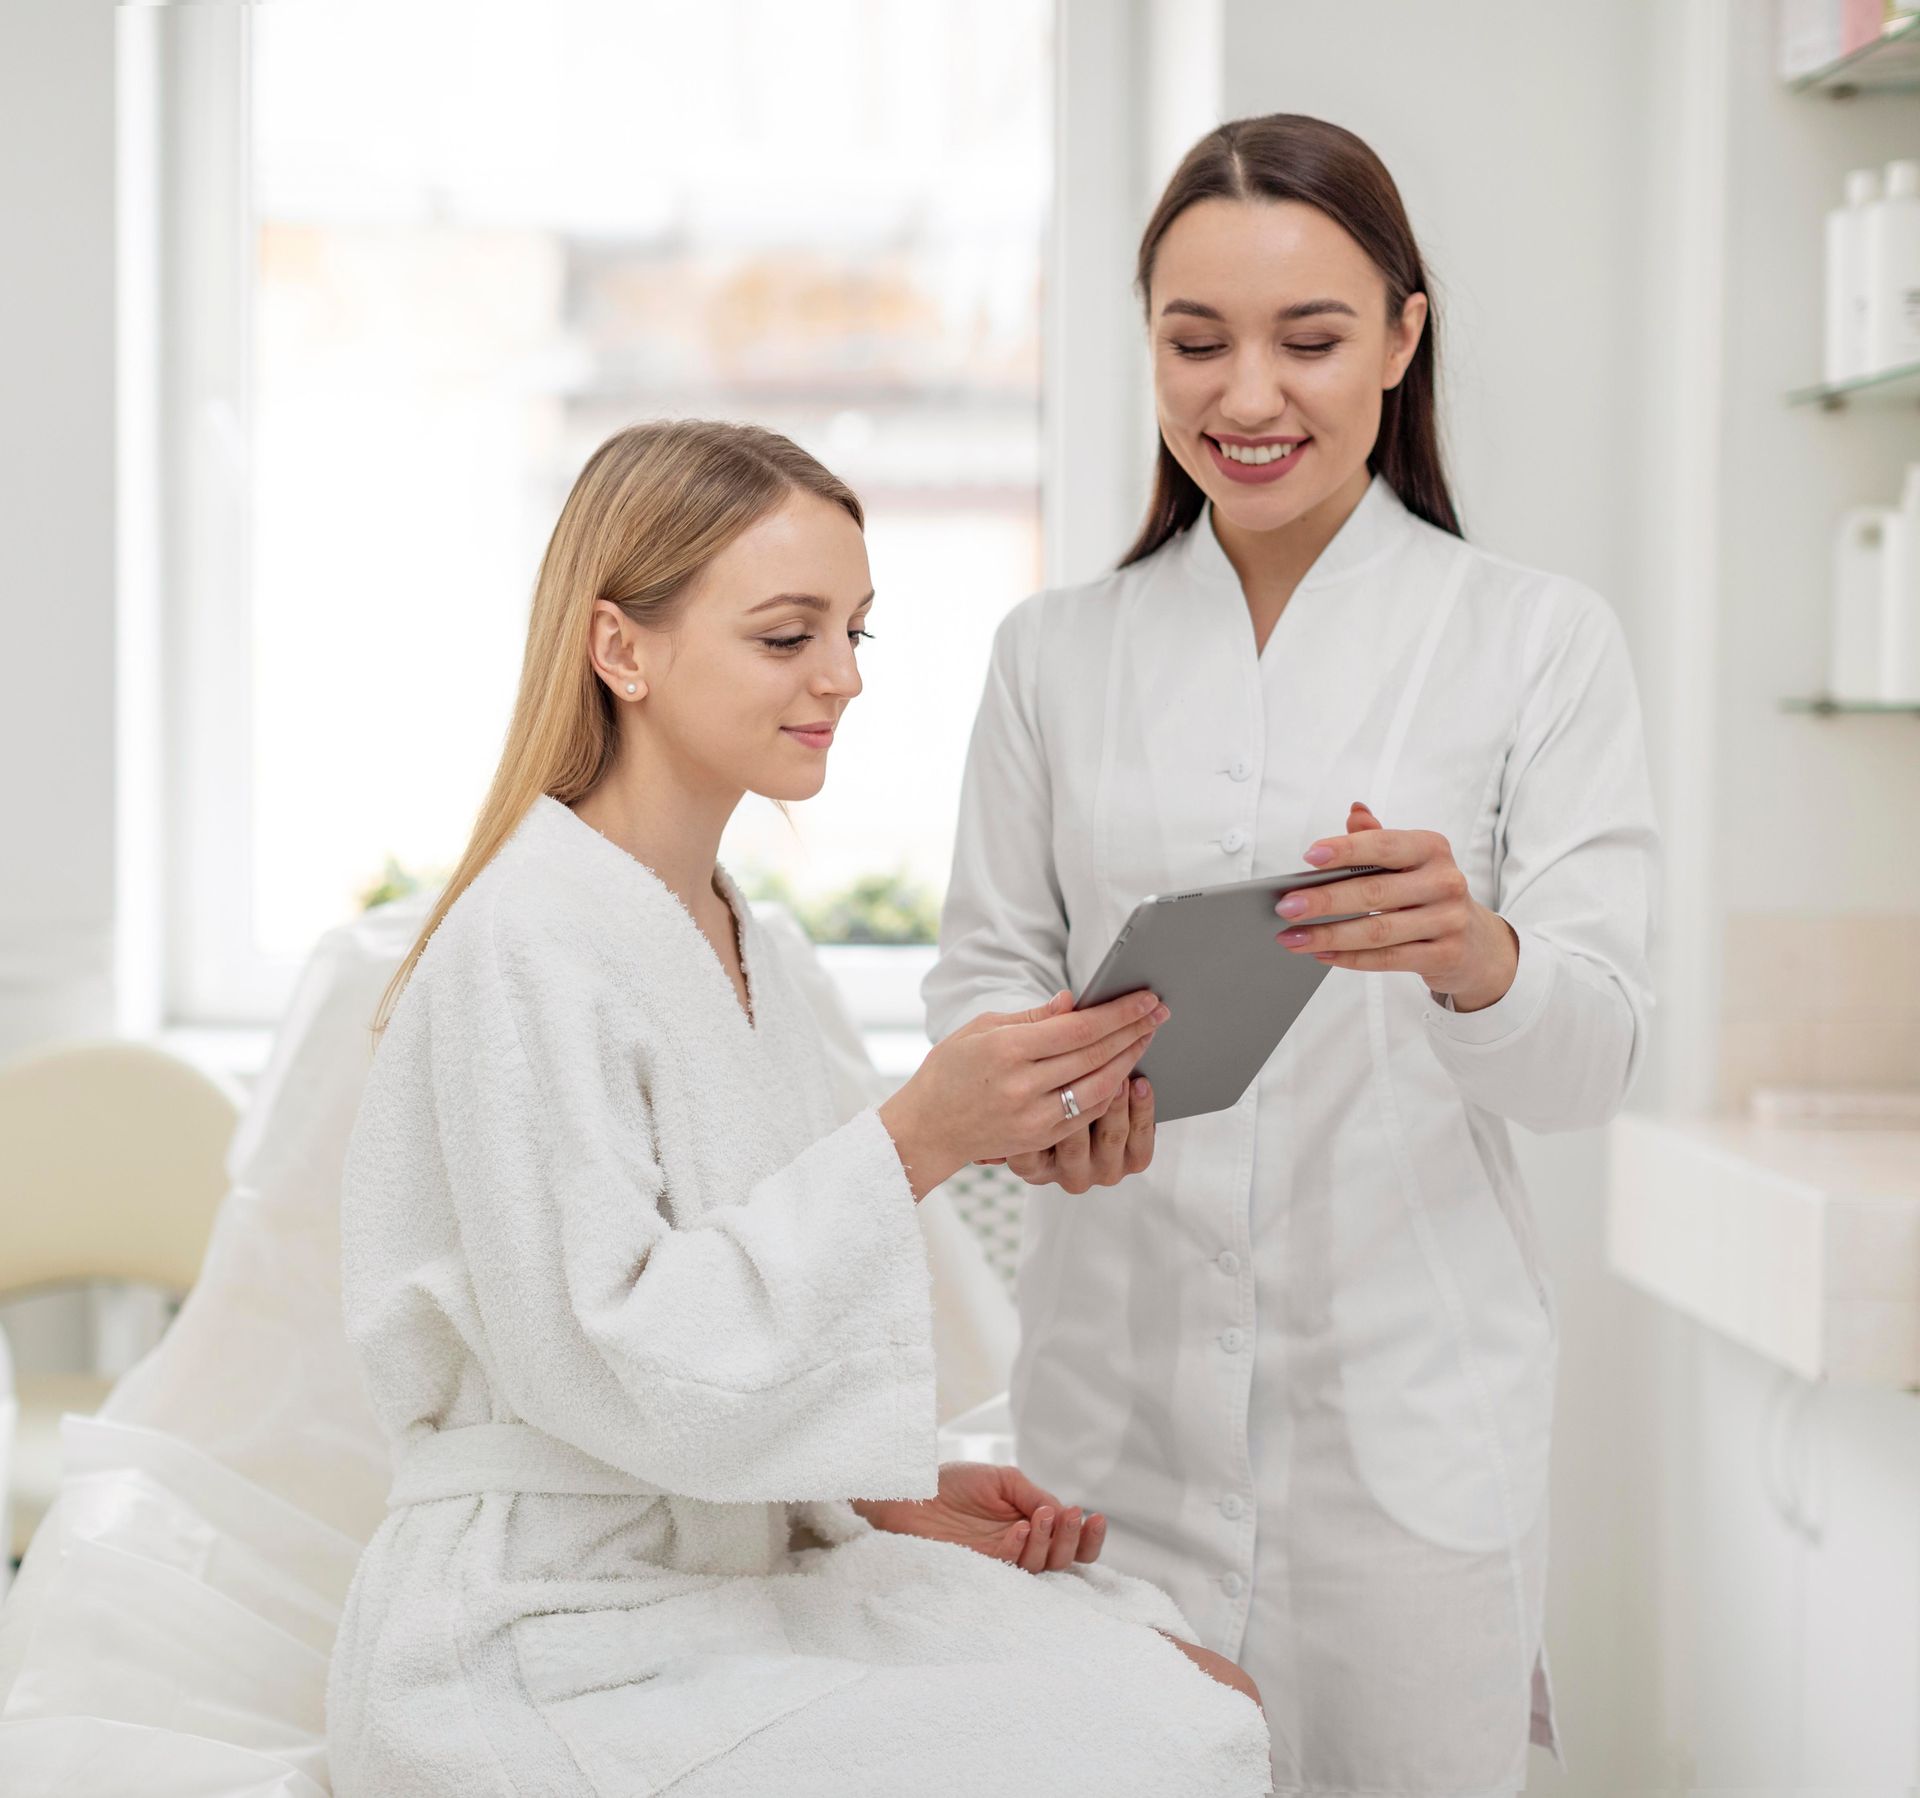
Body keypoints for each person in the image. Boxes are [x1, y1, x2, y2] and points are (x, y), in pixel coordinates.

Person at [324, 420, 1273, 1797]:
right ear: (622, 647)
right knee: (1175, 1742)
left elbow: (729, 1340)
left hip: (720, 1570)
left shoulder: (757, 945)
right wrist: (918, 1136)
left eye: (855, 633)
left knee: (1201, 1680)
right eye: (787, 637)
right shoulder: (523, 942)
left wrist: (893, 1493)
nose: (841, 677)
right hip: (535, 1621)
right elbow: (608, 1357)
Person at [925, 113, 1658, 1797]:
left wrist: (1477, 956)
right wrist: (1043, 1090)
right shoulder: (1054, 655)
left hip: (1405, 1450)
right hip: (1108, 1440)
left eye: (1310, 340)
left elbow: (1600, 1049)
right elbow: (978, 974)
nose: (1247, 397)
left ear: (1404, 339)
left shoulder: (1534, 642)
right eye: (1197, 343)